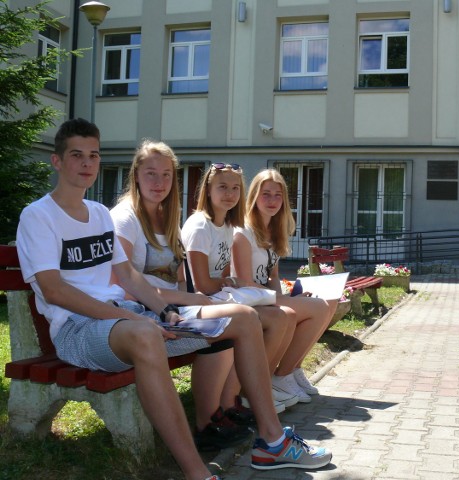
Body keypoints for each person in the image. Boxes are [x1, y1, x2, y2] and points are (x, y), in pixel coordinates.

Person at [16, 119, 332, 477]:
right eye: (76, 155)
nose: (87, 163)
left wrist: (165, 311)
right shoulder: (38, 216)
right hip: (78, 331)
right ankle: (198, 472)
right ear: (57, 161)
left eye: (93, 155)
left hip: (129, 318)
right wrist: (137, 319)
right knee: (146, 334)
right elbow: (55, 290)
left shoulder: (99, 214)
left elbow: (128, 276)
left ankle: (272, 442)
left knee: (243, 317)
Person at [110, 140, 252, 450]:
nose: (158, 183)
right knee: (233, 323)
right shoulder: (124, 217)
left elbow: (177, 277)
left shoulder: (166, 216)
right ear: (135, 175)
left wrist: (199, 293)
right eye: (150, 174)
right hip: (141, 312)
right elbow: (122, 284)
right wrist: (195, 299)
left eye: (166, 175)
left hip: (172, 306)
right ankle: (210, 421)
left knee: (232, 323)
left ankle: (212, 417)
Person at [181, 161, 299, 410]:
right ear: (208, 189)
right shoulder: (200, 225)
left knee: (283, 316)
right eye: (222, 187)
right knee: (257, 319)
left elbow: (224, 277)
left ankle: (256, 389)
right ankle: (234, 399)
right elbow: (201, 285)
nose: (230, 194)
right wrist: (233, 283)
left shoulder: (226, 226)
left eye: (235, 188)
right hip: (194, 304)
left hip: (219, 299)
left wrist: (232, 283)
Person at [232, 168, 336, 402]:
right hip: (248, 299)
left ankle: (292, 369)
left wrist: (287, 297)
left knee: (329, 299)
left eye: (277, 195)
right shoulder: (243, 232)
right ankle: (281, 376)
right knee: (317, 307)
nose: (272, 201)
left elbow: (272, 276)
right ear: (254, 197)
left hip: (266, 298)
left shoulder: (274, 232)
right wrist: (286, 301)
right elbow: (246, 283)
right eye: (265, 194)